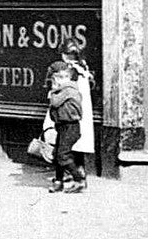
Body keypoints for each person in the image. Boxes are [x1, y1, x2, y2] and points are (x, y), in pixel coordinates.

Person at [44, 38, 95, 186]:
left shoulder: (69, 71)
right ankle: (71, 174)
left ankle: (72, 177)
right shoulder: (82, 70)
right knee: (73, 144)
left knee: (62, 146)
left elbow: (58, 94)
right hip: (78, 112)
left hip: (65, 112)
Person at [47, 61, 85, 194]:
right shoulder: (65, 89)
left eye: (55, 78)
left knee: (62, 155)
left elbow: (54, 102)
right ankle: (59, 181)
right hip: (63, 126)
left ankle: (79, 180)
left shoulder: (68, 89)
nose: (55, 81)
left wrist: (53, 89)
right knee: (58, 154)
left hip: (70, 127)